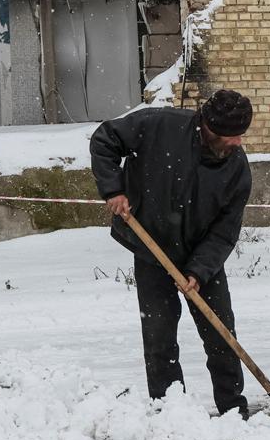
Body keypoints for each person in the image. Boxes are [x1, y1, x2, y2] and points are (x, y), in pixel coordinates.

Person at [89, 90, 254, 418]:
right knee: (159, 336)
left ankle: (233, 408)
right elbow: (105, 138)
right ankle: (169, 409)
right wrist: (114, 188)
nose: (236, 143)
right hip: (152, 248)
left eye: (240, 136)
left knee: (220, 333)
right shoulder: (159, 125)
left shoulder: (237, 171)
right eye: (230, 135)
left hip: (201, 256)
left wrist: (199, 270)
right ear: (208, 126)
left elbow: (225, 231)